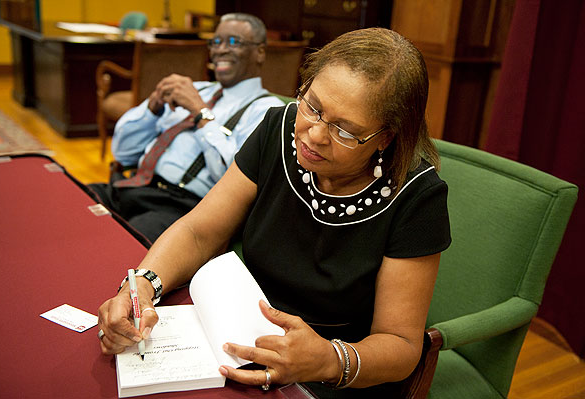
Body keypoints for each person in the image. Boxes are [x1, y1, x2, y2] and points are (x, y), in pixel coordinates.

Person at [97, 27, 451, 398]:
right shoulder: (278, 129)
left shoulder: (417, 196)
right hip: (237, 337)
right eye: (312, 106)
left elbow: (400, 344)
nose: (314, 135)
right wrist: (142, 285)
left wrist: (328, 359)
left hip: (332, 373)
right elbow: (200, 231)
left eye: (345, 130)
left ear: (386, 137)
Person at [88, 13, 284, 242]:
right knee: (73, 202)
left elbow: (235, 178)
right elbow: (123, 152)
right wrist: (151, 109)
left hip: (182, 209)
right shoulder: (197, 89)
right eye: (216, 42)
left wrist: (201, 113)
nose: (220, 50)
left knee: (118, 244)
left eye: (233, 42)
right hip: (132, 186)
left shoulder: (267, 111)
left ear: (260, 52)